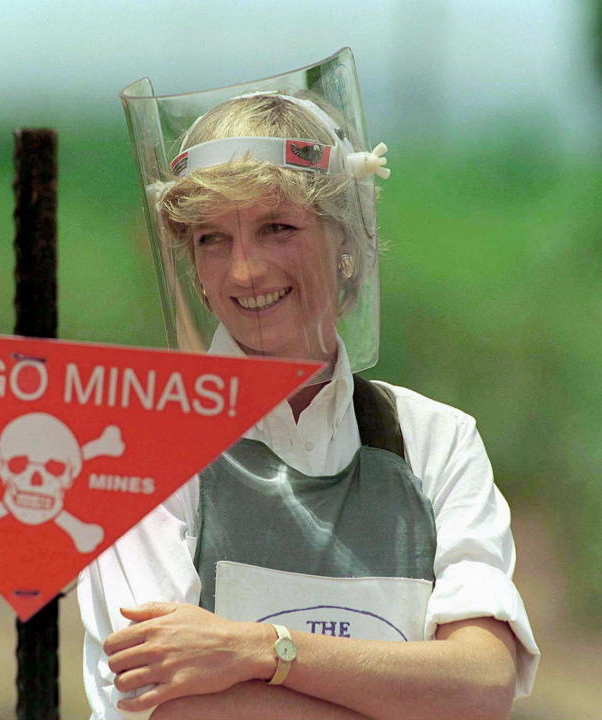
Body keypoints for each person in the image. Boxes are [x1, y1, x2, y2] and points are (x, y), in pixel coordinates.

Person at [79, 49, 539, 720]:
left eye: (278, 228)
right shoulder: (138, 444)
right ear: (193, 268)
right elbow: (167, 705)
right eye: (212, 239)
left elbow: (482, 683)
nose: (245, 272)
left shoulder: (434, 441)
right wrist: (407, 690)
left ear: (346, 239)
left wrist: (261, 651)